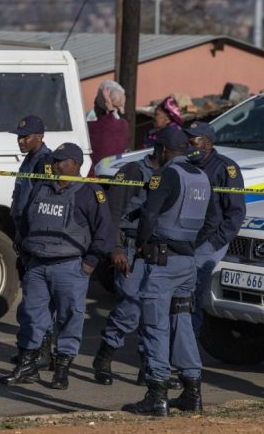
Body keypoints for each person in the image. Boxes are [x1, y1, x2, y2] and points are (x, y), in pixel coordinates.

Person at [0, 143, 113, 390]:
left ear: (75, 164)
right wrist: (27, 252)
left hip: (70, 267)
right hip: (38, 265)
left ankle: (61, 370)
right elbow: (27, 221)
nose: (54, 164)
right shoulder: (42, 187)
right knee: (32, 316)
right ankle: (28, 365)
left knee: (69, 318)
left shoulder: (90, 192)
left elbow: (105, 231)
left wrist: (90, 263)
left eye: (61, 160)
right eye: (54, 160)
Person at [123, 128, 211, 416]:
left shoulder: (167, 175)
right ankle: (192, 392)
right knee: (182, 324)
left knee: (154, 325)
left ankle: (157, 394)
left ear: (162, 150)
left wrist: (142, 243)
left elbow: (149, 213)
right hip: (187, 262)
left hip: (163, 262)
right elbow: (210, 221)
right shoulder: (201, 176)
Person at [92, 151, 158, 385]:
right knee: (130, 307)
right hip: (129, 247)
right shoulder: (132, 171)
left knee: (153, 310)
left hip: (157, 249)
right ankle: (104, 356)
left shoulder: (173, 172)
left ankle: (148, 364)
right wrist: (116, 248)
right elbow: (112, 212)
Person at [184, 121, 246, 336]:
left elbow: (236, 213)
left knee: (189, 296)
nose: (189, 146)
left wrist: (213, 243)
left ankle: (185, 352)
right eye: (187, 141)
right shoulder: (184, 164)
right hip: (184, 239)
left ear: (208, 144)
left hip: (209, 241)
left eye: (194, 141)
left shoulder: (225, 168)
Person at [8, 115, 54, 370]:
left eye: (26, 137)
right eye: (19, 137)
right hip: (23, 234)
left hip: (34, 236)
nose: (21, 141)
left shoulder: (44, 163)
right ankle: (30, 348)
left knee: (38, 300)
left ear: (40, 136)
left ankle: (42, 352)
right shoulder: (29, 161)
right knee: (31, 298)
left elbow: (40, 204)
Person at [87, 80, 129, 177]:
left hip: (95, 178)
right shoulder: (124, 125)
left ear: (99, 106)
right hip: (117, 175)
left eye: (96, 103)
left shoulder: (90, 127)